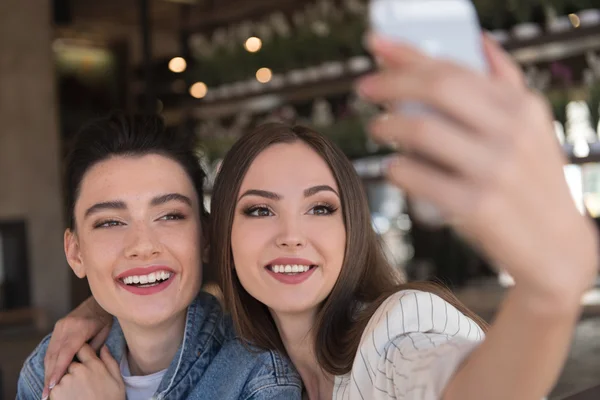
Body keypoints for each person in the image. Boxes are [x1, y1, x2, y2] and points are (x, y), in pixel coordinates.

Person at [42, 34, 598, 400]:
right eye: (259, 209)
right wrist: (102, 302)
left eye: (320, 208)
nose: (290, 235)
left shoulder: (395, 330)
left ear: (351, 227)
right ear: (222, 237)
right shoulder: (238, 345)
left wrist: (547, 297)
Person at [17, 113, 302, 400]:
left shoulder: (260, 378)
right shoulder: (51, 371)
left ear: (204, 237)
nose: (143, 245)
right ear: (75, 253)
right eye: (110, 222)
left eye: (170, 216)